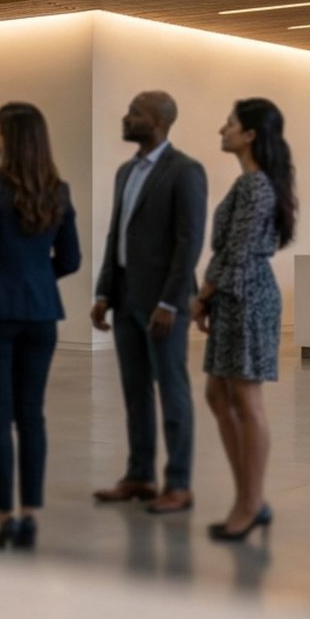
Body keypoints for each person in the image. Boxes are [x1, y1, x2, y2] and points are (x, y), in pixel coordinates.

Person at [0, 102, 81, 550]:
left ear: (9, 137)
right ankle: (30, 517)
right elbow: (71, 259)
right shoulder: (57, 191)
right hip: (42, 314)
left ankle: (4, 517)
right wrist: (37, 279)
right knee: (31, 416)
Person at [91, 91, 208, 514]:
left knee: (172, 390)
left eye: (134, 113)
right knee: (135, 391)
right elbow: (115, 234)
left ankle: (178, 484)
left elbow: (189, 241)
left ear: (158, 121)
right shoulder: (126, 171)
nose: (126, 119)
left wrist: (172, 303)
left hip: (163, 304)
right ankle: (139, 476)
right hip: (124, 298)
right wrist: (103, 291)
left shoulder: (185, 170)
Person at [191, 98, 296, 542]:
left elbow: (237, 251)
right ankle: (248, 496)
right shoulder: (250, 182)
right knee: (219, 394)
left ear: (250, 135)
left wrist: (202, 296)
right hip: (235, 295)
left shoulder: (256, 186)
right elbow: (231, 251)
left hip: (248, 297)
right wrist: (210, 298)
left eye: (230, 124)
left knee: (246, 401)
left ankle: (250, 503)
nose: (222, 129)